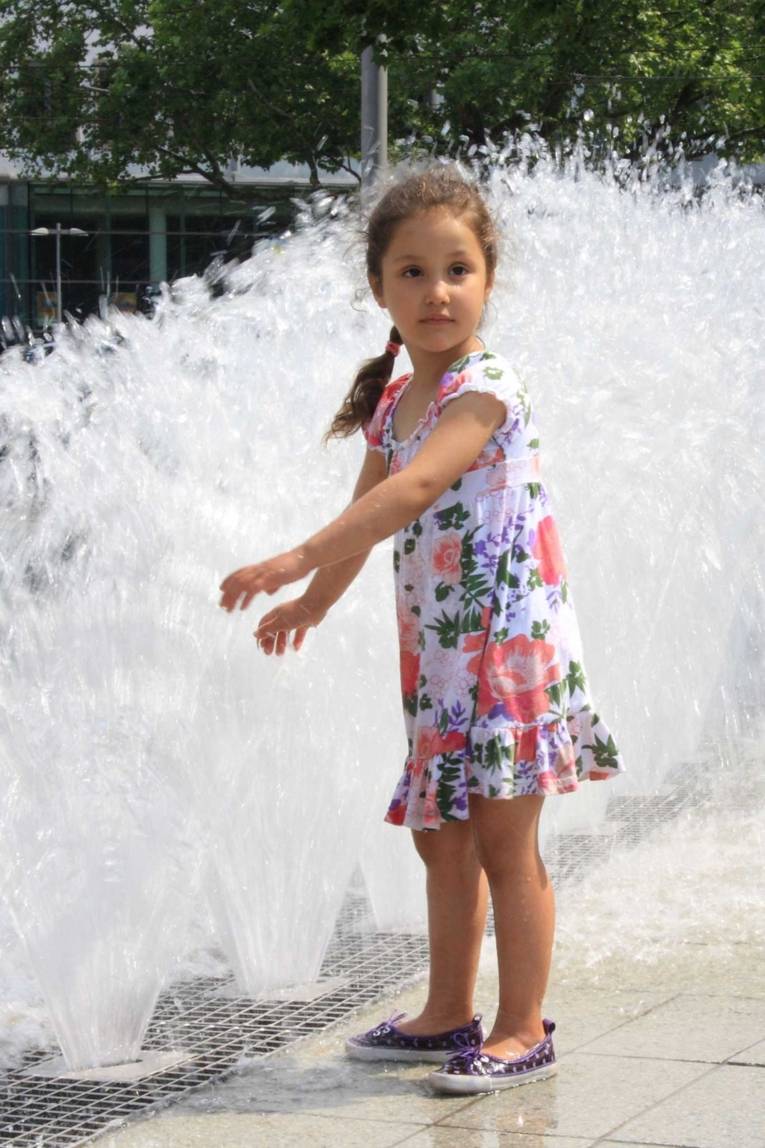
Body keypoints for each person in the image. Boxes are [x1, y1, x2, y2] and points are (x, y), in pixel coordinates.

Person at [219, 164, 626, 1095]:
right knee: (440, 834)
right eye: (411, 272)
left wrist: (286, 560)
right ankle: (448, 1012)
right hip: (443, 654)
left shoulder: (487, 384)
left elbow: (416, 491)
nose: (435, 291)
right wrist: (315, 601)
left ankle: (524, 1027)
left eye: (456, 269)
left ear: (487, 282)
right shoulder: (393, 400)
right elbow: (371, 508)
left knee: (502, 838)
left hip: (509, 651)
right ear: (378, 289)